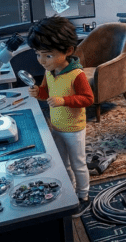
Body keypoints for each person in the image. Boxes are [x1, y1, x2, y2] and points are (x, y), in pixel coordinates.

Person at [26, 16, 94, 209]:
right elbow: (47, 93)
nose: (42, 61)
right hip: (56, 126)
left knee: (78, 164)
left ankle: (84, 195)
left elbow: (88, 99)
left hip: (74, 129)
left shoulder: (76, 75)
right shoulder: (50, 71)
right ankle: (71, 191)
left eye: (47, 56)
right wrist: (38, 92)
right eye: (38, 54)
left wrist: (64, 100)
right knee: (63, 164)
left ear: (68, 51)